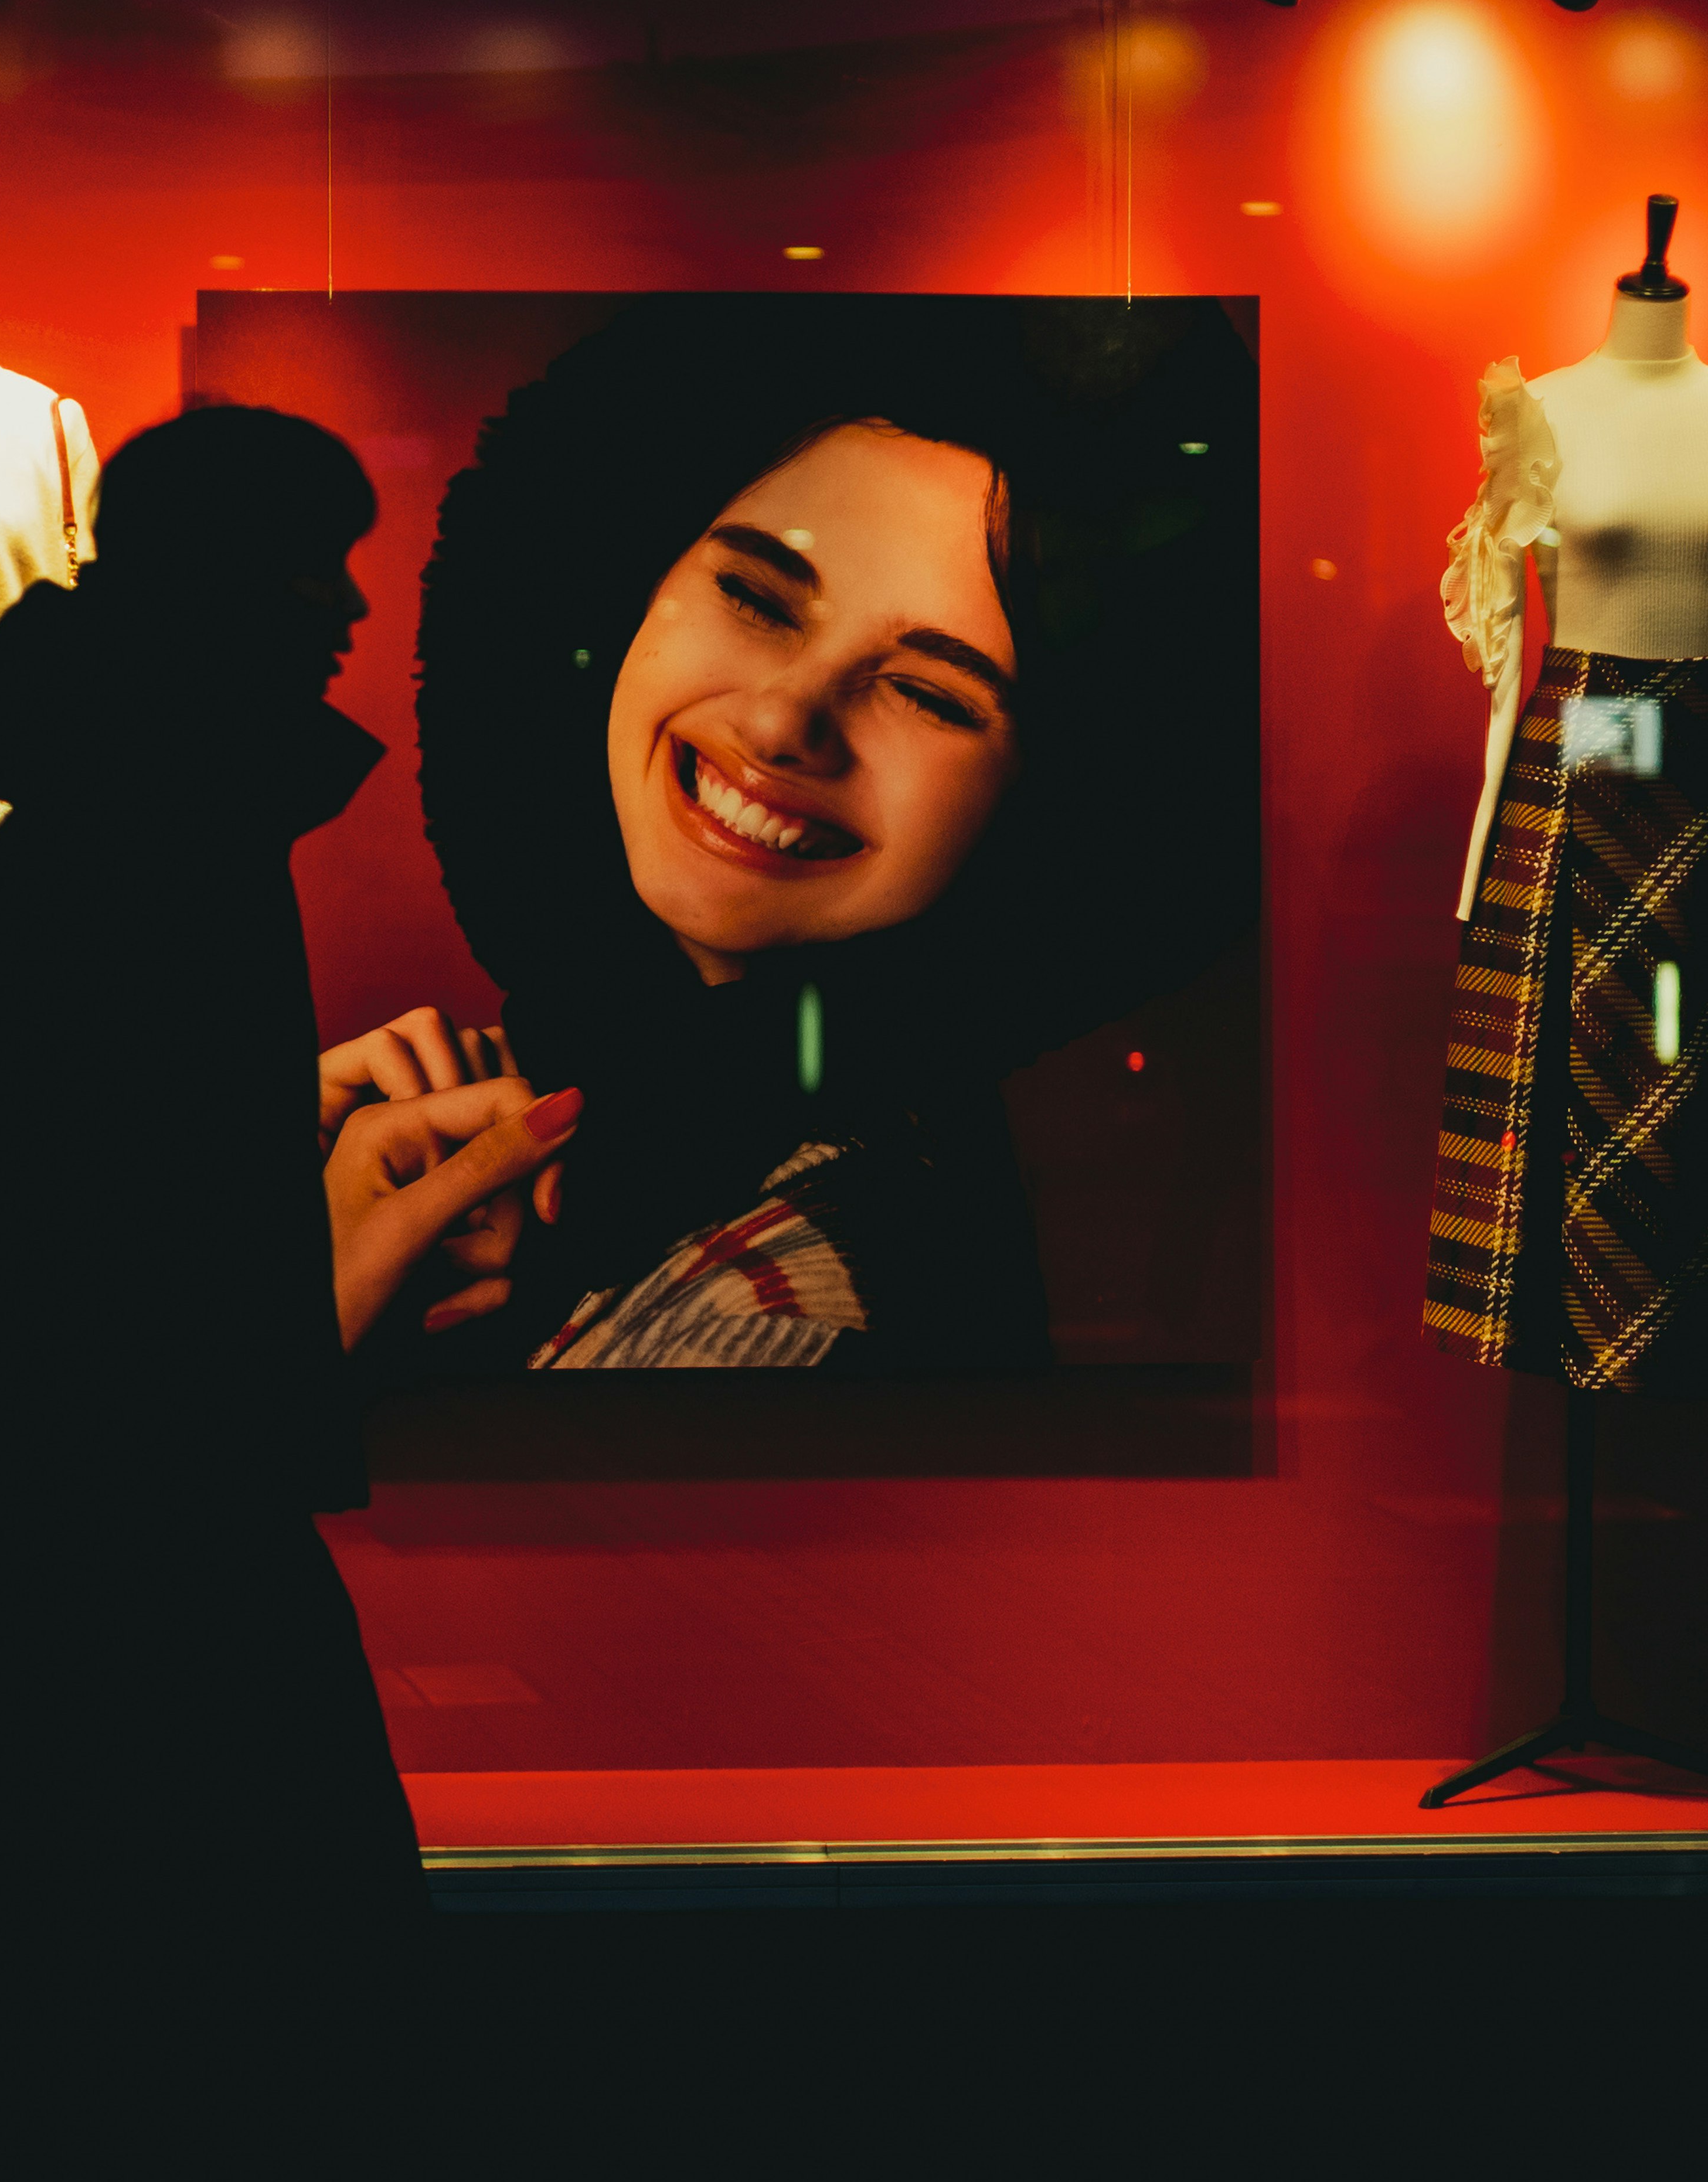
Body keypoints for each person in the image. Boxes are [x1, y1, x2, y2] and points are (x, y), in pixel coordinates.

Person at [0, 401, 580, 2182]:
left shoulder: (94, 816)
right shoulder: (164, 838)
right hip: (155, 1525)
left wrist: (300, 1124)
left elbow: (53, 1194)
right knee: (333, 1995)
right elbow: (133, 1263)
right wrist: (350, 1219)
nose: (354, 608)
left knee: (220, 1986)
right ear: (240, 593)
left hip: (79, 1511)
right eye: (318, 567)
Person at [336, 293, 1258, 1374]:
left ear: (1054, 811)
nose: (783, 723)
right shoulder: (520, 1143)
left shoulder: (786, 1319)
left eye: (929, 694)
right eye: (759, 599)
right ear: (625, 591)